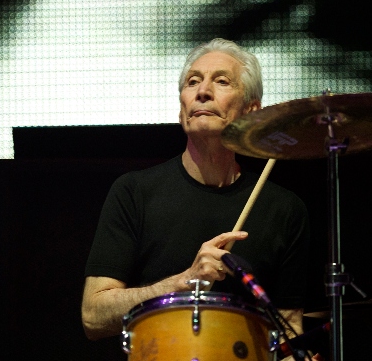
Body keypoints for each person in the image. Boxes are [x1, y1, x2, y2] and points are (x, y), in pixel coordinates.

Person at [81, 38, 319, 360]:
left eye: (221, 81)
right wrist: (185, 281)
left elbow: (289, 329)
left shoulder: (284, 209)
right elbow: (93, 316)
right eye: (193, 82)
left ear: (251, 111)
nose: (202, 91)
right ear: (182, 110)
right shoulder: (134, 192)